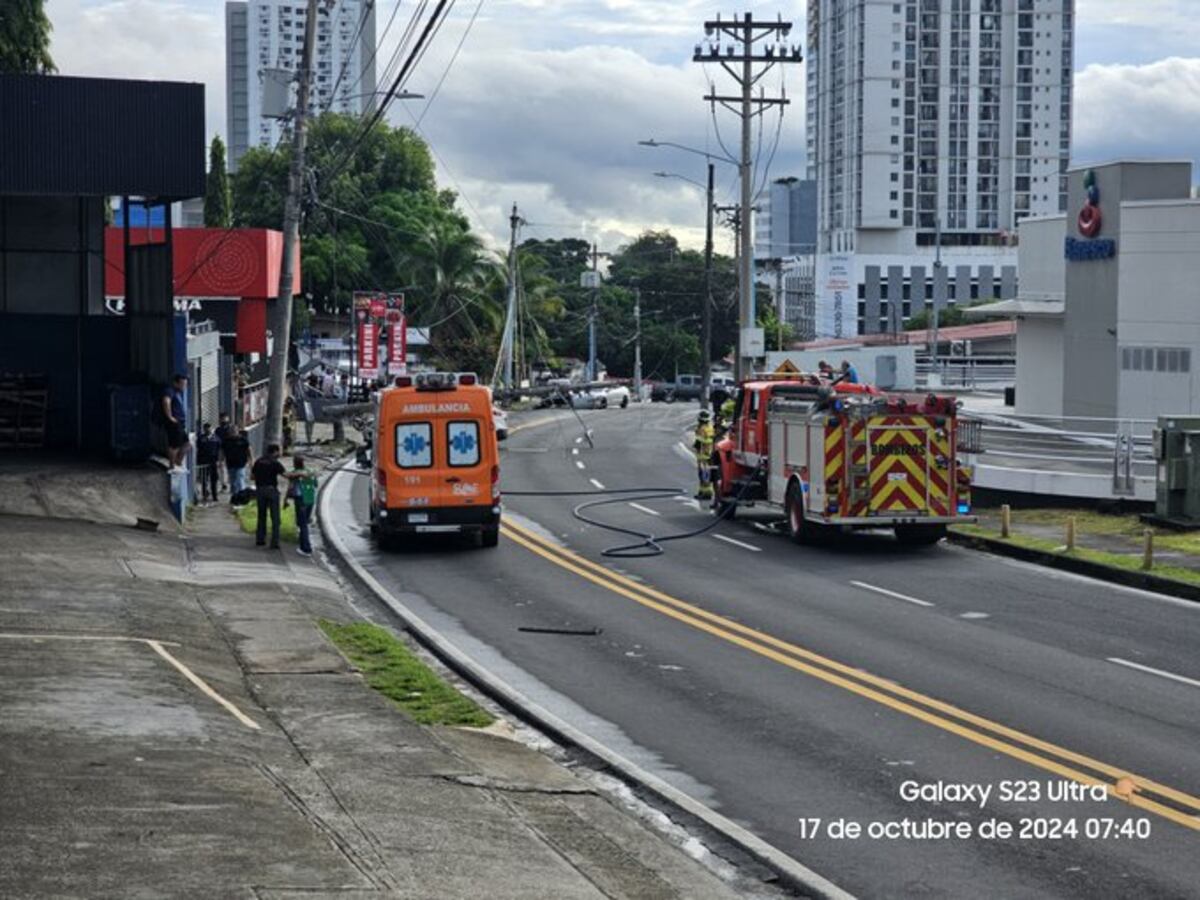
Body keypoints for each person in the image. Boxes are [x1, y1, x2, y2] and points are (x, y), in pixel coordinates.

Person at [251, 443, 287, 549]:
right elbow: (285, 475)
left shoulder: (258, 461)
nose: (279, 453)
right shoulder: (275, 463)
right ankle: (274, 542)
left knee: (261, 516)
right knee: (275, 517)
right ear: (275, 451)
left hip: (260, 490)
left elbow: (252, 476)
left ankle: (260, 539)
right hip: (272, 490)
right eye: (278, 451)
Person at [284, 454, 318, 557]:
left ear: (295, 463)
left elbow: (290, 487)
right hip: (310, 499)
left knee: (302, 524)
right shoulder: (310, 471)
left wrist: (285, 500)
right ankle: (304, 543)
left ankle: (306, 548)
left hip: (300, 499)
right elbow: (316, 484)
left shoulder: (294, 474)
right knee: (304, 523)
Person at [160, 373, 190, 469]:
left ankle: (178, 461)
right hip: (174, 423)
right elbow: (166, 401)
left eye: (185, 384)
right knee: (174, 445)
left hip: (180, 423)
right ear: (175, 383)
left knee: (188, 444)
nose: (184, 386)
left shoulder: (177, 393)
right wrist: (170, 417)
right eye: (182, 384)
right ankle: (172, 466)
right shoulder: (170, 391)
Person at [222, 423, 253, 502]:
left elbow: (249, 450)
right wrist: (220, 461)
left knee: (240, 480)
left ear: (238, 431)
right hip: (230, 464)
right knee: (232, 482)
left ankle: (242, 497)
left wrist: (251, 461)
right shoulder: (226, 440)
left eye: (234, 431)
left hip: (241, 463)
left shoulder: (243, 440)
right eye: (231, 431)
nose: (233, 432)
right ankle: (234, 497)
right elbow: (221, 451)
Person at [195, 423, 221, 504]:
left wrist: (219, 461)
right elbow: (198, 449)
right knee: (204, 479)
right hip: (203, 461)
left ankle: (214, 496)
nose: (208, 430)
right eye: (206, 428)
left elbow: (219, 450)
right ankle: (204, 495)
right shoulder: (201, 438)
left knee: (214, 479)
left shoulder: (216, 438)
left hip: (213, 461)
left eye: (209, 428)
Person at [693, 409, 715, 501]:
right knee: (702, 475)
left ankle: (707, 493)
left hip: (705, 456)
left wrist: (698, 441)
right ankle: (702, 492)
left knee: (705, 475)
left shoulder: (703, 429)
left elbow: (705, 440)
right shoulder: (709, 427)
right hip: (704, 455)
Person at [215, 412, 233, 491]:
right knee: (221, 466)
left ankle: (230, 481)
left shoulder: (231, 428)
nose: (223, 420)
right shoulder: (218, 430)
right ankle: (224, 483)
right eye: (222, 418)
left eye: (225, 418)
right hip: (221, 449)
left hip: (230, 449)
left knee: (230, 466)